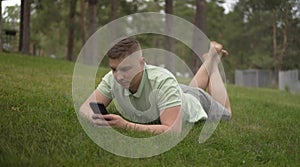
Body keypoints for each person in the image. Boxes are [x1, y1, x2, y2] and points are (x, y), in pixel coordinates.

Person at [79, 37, 232, 134]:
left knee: (226, 113)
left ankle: (213, 59)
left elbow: (172, 130)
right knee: (191, 89)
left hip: (194, 101)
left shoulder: (163, 81)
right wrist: (95, 118)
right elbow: (85, 108)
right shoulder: (112, 78)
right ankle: (210, 58)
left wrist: (125, 125)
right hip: (174, 93)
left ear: (141, 63)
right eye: (114, 69)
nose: (118, 77)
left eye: (125, 69)